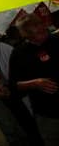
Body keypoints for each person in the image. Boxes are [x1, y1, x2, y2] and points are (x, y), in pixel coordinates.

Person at [0, 27, 39, 146]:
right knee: (25, 123)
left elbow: (15, 72)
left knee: (30, 123)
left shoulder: (4, 49)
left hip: (19, 93)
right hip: (12, 94)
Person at [9, 14, 59, 146]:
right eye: (36, 32)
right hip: (47, 114)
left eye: (42, 28)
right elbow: (14, 85)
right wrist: (35, 83)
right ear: (25, 34)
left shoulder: (57, 41)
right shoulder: (19, 53)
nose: (42, 32)